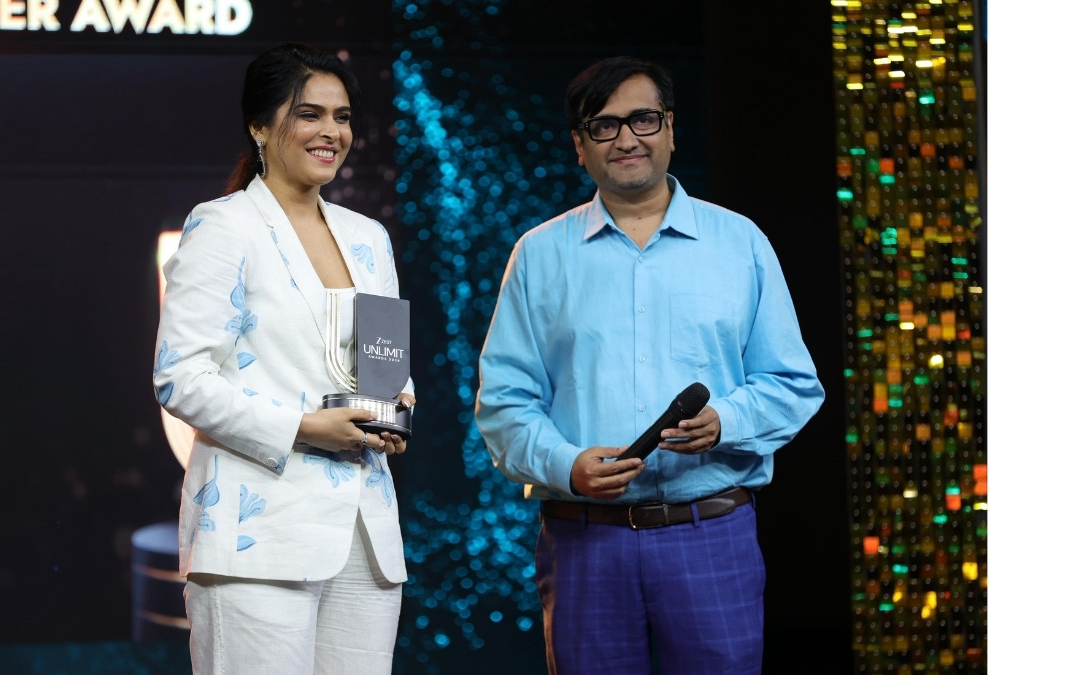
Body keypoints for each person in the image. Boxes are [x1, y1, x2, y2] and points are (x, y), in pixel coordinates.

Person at [474, 55, 825, 674]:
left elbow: (793, 384)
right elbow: (504, 402)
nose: (627, 138)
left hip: (710, 531)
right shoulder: (539, 254)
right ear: (580, 146)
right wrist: (566, 464)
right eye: (604, 126)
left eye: (643, 119)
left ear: (670, 129)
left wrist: (727, 420)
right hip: (585, 540)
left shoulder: (739, 242)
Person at [152, 42, 414, 675]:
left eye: (342, 117)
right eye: (309, 114)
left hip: (365, 535)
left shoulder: (368, 237)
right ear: (260, 126)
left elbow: (387, 364)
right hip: (258, 534)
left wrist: (398, 408)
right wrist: (302, 426)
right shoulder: (224, 226)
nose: (331, 132)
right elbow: (180, 377)